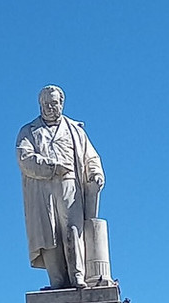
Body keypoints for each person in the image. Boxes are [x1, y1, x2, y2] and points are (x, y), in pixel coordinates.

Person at [16, 85, 105, 289]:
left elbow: (90, 156)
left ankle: (77, 276)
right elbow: (24, 158)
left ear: (61, 103)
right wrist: (52, 167)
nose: (49, 108)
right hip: (42, 187)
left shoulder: (75, 130)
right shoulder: (28, 131)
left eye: (53, 103)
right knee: (49, 233)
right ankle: (57, 281)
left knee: (73, 229)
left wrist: (96, 173)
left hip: (70, 183)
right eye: (45, 104)